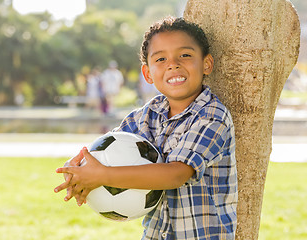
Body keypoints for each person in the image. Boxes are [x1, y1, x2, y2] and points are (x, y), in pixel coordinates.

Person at [54, 16, 237, 240]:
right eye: (160, 59)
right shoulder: (147, 115)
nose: (173, 64)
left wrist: (103, 175)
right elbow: (108, 148)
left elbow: (176, 175)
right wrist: (79, 170)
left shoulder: (212, 115)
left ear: (207, 64)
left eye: (185, 55)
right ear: (148, 74)